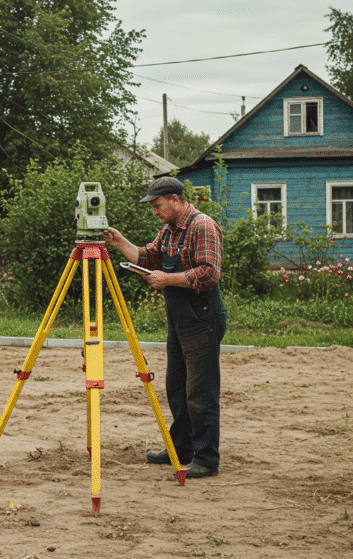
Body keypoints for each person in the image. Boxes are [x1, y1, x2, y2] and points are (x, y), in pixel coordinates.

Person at [102, 176, 226, 479]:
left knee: (200, 390)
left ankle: (207, 458)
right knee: (176, 386)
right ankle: (181, 448)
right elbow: (146, 256)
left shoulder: (202, 226)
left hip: (201, 315)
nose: (155, 212)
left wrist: (168, 279)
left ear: (174, 199)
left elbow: (210, 273)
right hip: (179, 317)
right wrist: (118, 242)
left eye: (158, 206)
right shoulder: (169, 231)